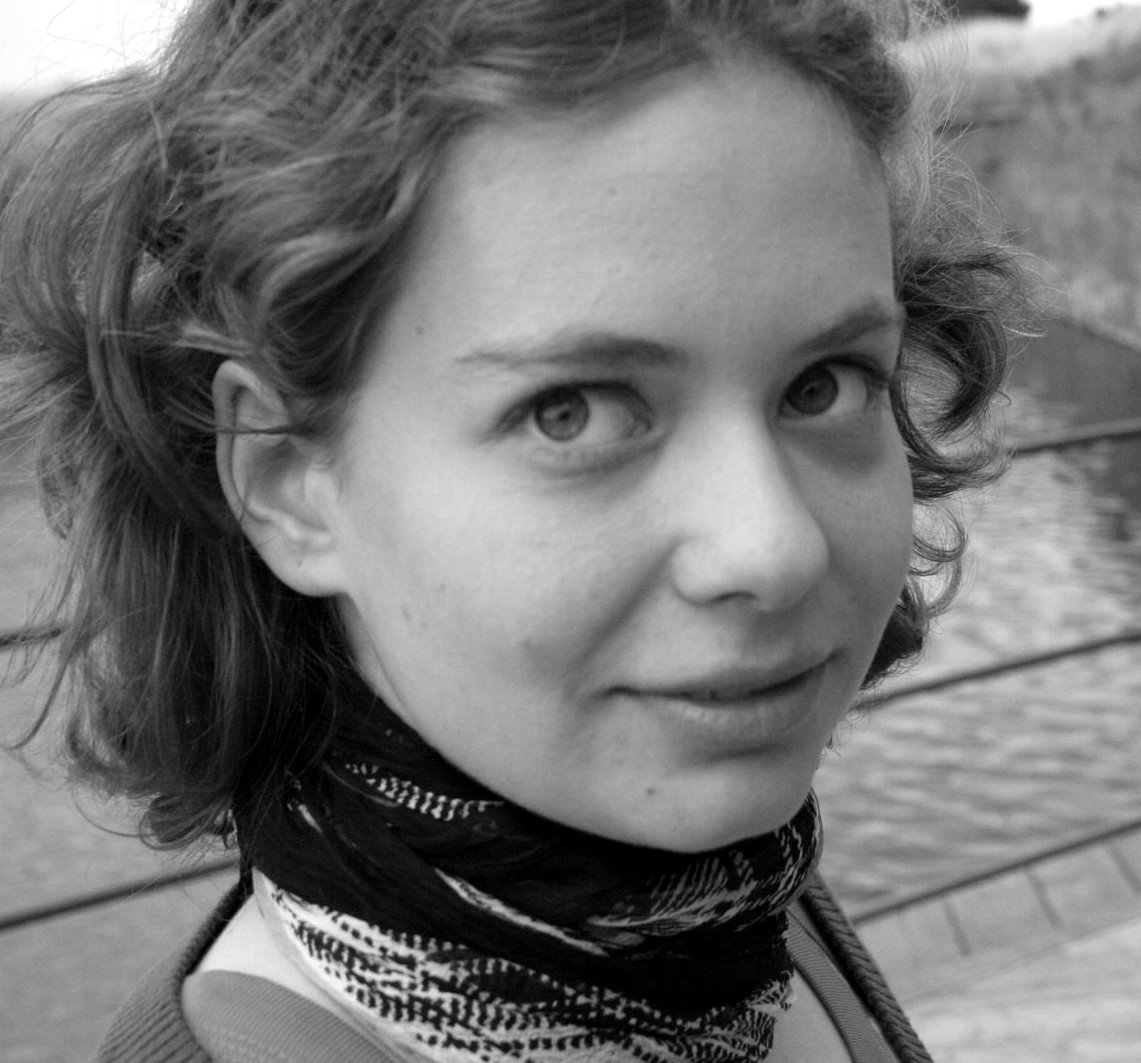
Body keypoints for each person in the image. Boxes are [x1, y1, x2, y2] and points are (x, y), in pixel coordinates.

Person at [0, 0, 1023, 1059]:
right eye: (570, 412)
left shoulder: (726, 914)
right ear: (289, 481)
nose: (773, 546)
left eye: (823, 384)